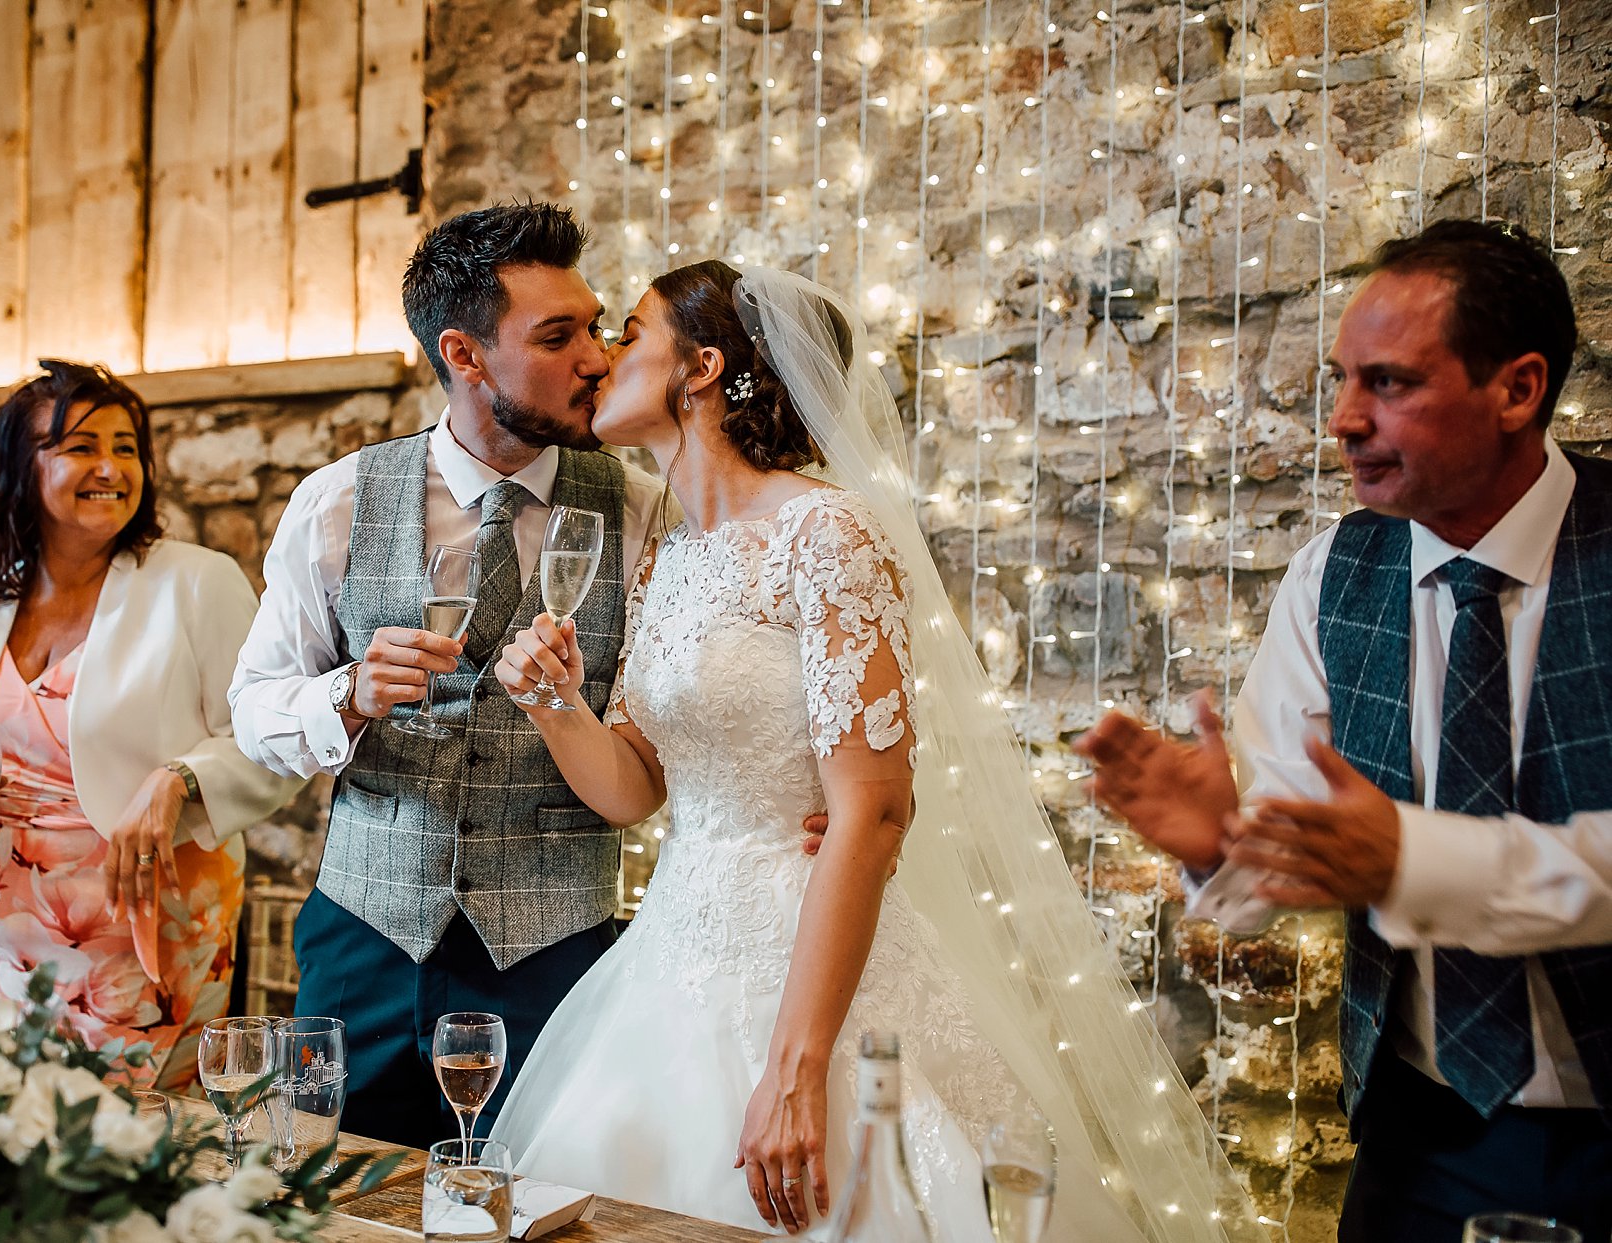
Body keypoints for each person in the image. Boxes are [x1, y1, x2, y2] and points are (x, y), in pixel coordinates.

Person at [488, 261, 1251, 1240]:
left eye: (630, 333)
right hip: (670, 955)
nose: (601, 360)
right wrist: (554, 704)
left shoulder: (827, 532)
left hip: (806, 953)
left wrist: (795, 1068)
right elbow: (637, 788)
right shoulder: (666, 552)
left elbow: (875, 808)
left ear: (702, 368)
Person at [1076, 220, 1612, 1242]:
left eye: (1389, 383)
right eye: (1340, 380)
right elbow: (1290, 842)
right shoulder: (1333, 573)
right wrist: (1220, 849)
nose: (1343, 419)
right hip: (1415, 1135)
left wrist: (1414, 858)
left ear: (1517, 389)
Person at [228, 203, 677, 1149]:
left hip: (557, 953)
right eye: (558, 336)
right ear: (465, 355)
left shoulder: (645, 515)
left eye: (595, 328)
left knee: (534, 1199)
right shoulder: (337, 503)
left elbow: (672, 730)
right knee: (333, 1188)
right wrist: (347, 692)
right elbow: (255, 711)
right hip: (363, 941)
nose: (596, 358)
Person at [0, 360, 300, 1088]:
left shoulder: (197, 583)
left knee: (147, 1139)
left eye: (126, 448)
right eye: (82, 447)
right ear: (19, 466)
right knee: (26, 1123)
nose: (111, 468)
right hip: (8, 935)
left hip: (155, 927)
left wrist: (180, 779)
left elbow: (272, 740)